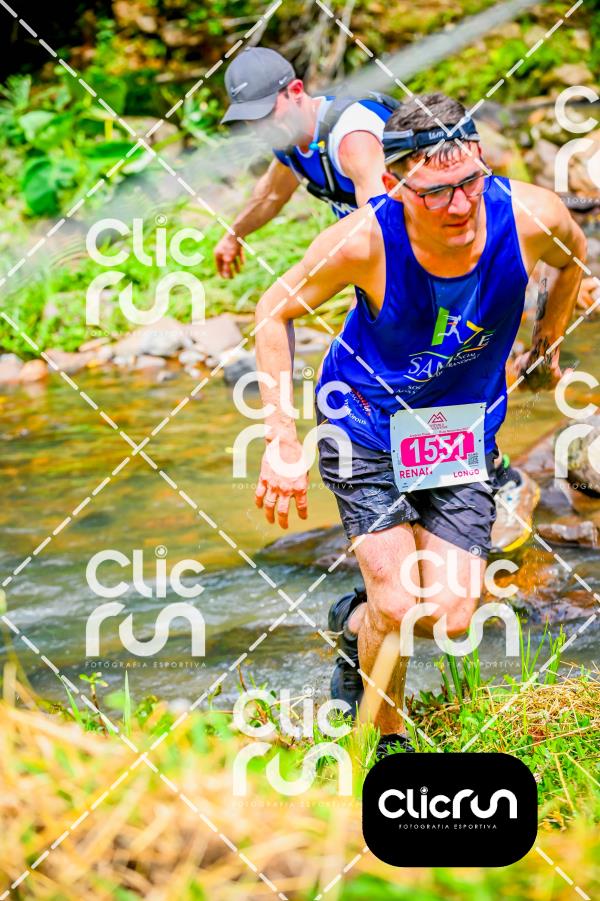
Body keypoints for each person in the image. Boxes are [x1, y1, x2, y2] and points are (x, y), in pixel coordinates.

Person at [252, 92, 586, 755]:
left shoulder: (531, 215)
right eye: (435, 192)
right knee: (399, 604)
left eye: (470, 182)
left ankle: (354, 626)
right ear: (395, 182)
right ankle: (384, 745)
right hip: (363, 421)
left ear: (482, 160)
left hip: (455, 430)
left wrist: (547, 339)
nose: (459, 206)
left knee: (451, 616)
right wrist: (281, 439)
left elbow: (572, 257)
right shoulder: (365, 240)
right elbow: (272, 310)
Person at [215, 46, 397, 278]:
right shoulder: (292, 141)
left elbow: (383, 226)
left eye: (265, 113)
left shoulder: (352, 138)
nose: (262, 128)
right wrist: (233, 235)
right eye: (250, 119)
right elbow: (270, 196)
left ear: (296, 90)